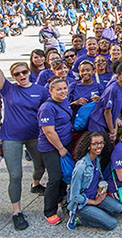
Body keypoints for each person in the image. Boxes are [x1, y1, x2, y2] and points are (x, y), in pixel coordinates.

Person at [0, 63, 49, 230]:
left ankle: (35, 184)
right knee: (15, 175)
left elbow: (47, 110)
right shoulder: (8, 89)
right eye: (17, 73)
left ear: (29, 72)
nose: (21, 75)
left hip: (34, 137)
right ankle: (16, 212)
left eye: (24, 72)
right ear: (13, 76)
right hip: (11, 137)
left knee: (40, 166)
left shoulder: (41, 90)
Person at [67, 131, 122, 231]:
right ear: (88, 146)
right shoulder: (81, 167)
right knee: (112, 224)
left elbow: (99, 179)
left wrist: (101, 191)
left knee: (118, 208)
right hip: (82, 203)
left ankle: (95, 213)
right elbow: (74, 196)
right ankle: (77, 219)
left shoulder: (96, 159)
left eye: (101, 143)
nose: (99, 146)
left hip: (95, 195)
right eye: (95, 144)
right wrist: (94, 202)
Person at [37, 78, 73, 225]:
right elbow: (49, 132)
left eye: (65, 88)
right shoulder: (47, 107)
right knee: (55, 177)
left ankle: (60, 198)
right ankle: (49, 211)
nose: (63, 91)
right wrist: (60, 148)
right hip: (51, 147)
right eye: (58, 89)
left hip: (66, 143)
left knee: (64, 175)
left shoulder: (64, 101)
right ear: (50, 91)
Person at [88, 62, 122, 141]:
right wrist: (112, 131)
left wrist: (115, 128)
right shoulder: (112, 89)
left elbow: (115, 111)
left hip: (108, 125)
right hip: (98, 124)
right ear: (119, 75)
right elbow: (107, 112)